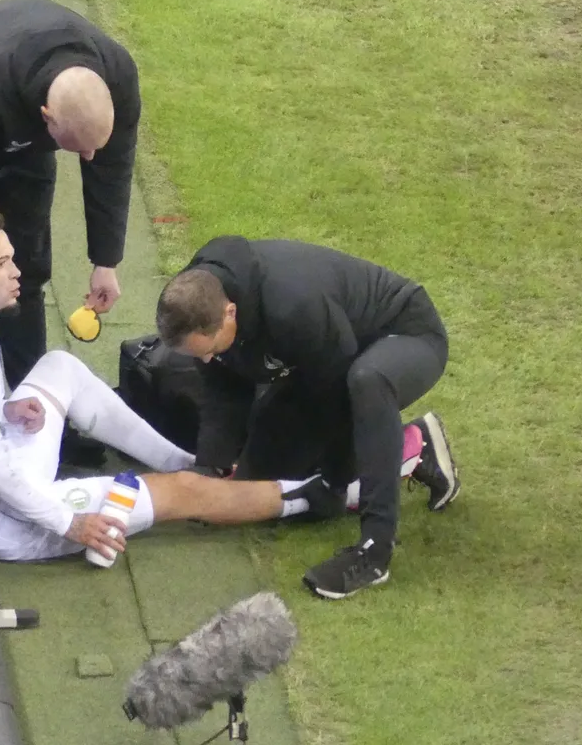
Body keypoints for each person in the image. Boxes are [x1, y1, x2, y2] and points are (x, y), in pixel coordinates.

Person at [0, 201, 338, 563]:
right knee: (182, 493)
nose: (16, 271)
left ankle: (181, 460)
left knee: (59, 366)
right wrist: (69, 523)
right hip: (3, 518)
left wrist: (3, 409)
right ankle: (337, 493)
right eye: (0, 264)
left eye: (11, 258)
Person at [156, 236, 460, 599]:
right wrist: (210, 468)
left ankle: (375, 552)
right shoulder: (201, 295)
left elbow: (338, 398)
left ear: (230, 313)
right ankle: (416, 443)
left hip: (405, 337)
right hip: (327, 358)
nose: (206, 361)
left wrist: (333, 480)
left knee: (366, 384)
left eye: (210, 351)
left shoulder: (291, 306)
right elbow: (224, 388)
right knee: (258, 487)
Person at [0, 0, 141, 389]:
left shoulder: (117, 78)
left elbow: (111, 171)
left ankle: (26, 390)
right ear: (47, 116)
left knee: (26, 265)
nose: (88, 157)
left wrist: (106, 261)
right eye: (79, 147)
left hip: (27, 126)